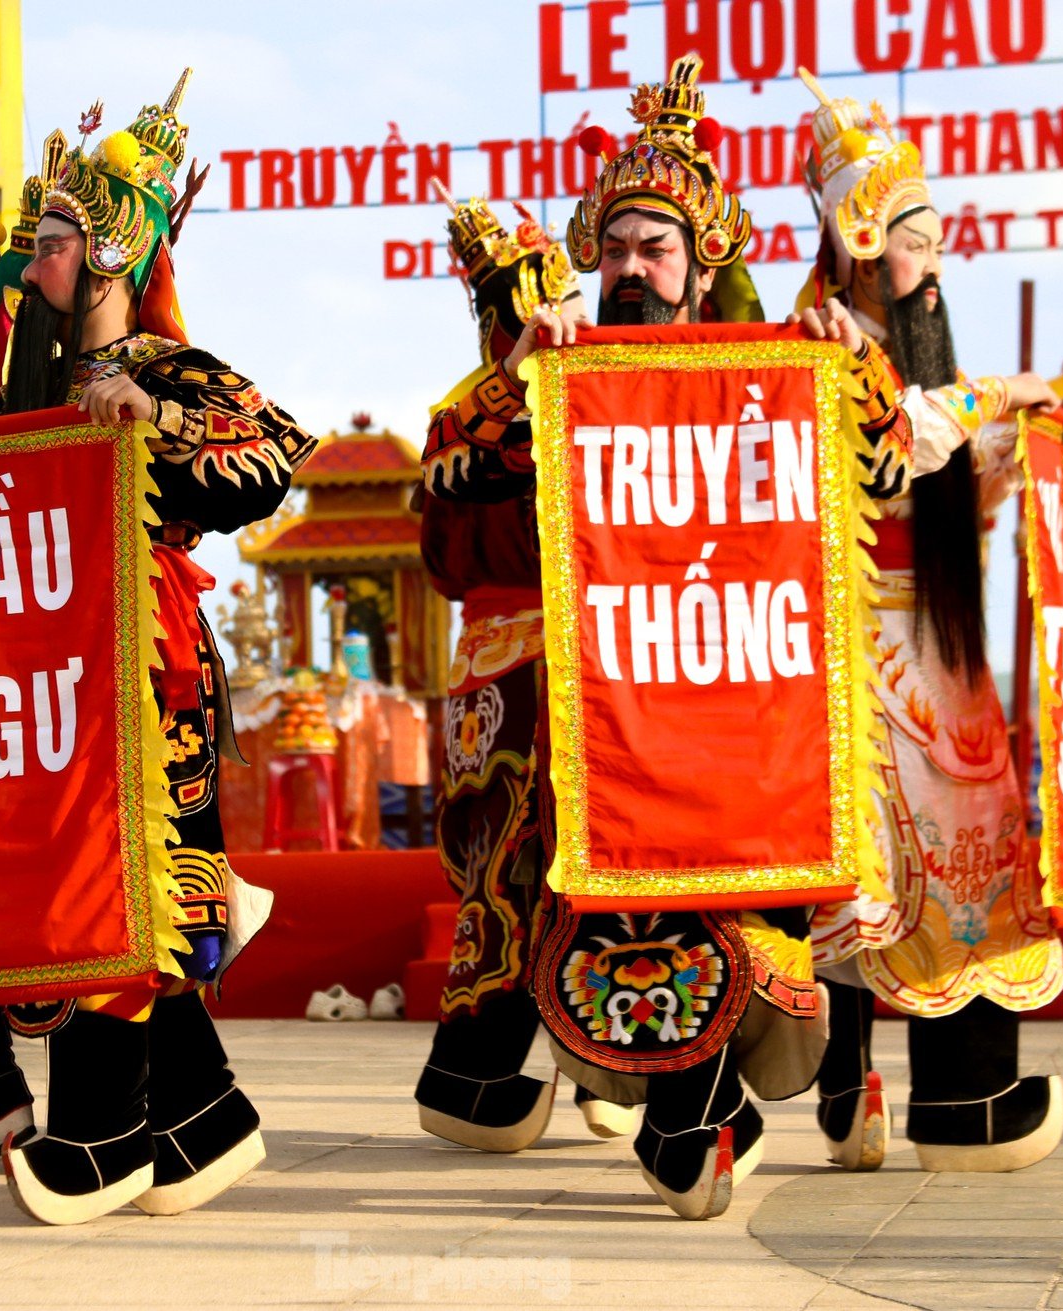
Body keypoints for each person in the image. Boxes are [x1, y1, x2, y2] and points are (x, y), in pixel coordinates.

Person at [454, 55, 916, 1219]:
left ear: (703, 262)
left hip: (739, 705)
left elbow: (888, 465)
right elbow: (454, 485)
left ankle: (699, 1114)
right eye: (611, 250)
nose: (625, 272)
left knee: (730, 915)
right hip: (611, 718)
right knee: (628, 922)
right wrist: (521, 380)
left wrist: (837, 359)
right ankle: (689, 1115)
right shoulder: (558, 369)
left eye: (652, 249)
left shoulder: (778, 369)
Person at [0, 73, 318, 1224]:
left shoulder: (173, 373)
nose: (31, 260)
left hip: (146, 665)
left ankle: (104, 1136)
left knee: (125, 891)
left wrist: (149, 423)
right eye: (33, 240)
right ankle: (202, 1121)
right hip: (35, 682)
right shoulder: (20, 391)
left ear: (117, 251)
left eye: (56, 239)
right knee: (43, 888)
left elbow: (267, 461)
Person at [789, 69, 1063, 1174]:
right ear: (863, 236)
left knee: (959, 857)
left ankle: (947, 1096)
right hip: (861, 644)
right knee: (881, 869)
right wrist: (1008, 393)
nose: (933, 256)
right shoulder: (822, 337)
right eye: (916, 234)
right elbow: (885, 454)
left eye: (935, 234)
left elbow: (947, 470)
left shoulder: (921, 358)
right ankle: (874, 1087)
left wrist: (1030, 438)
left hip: (938, 643)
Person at [413, 191, 637, 1151]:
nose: (532, 304)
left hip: (575, 655)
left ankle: (595, 1068)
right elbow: (449, 534)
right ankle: (482, 1072)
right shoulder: (475, 408)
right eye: (506, 291)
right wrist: (521, 384)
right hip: (508, 668)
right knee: (501, 868)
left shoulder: (585, 383)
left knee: (583, 864)